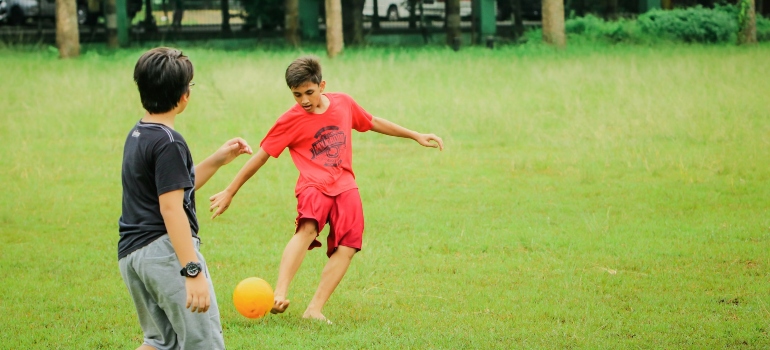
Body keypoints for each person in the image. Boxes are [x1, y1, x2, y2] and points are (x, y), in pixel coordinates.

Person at [208, 55, 443, 323]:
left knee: (349, 245)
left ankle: (314, 309)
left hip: (345, 185)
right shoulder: (289, 120)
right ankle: (279, 293)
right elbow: (260, 156)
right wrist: (230, 191)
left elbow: (372, 121)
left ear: (322, 85)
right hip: (313, 185)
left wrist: (416, 135)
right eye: (297, 95)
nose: (304, 100)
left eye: (309, 92)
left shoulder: (343, 103)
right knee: (307, 228)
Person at [118, 47, 253, 349]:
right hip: (164, 253)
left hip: (132, 255)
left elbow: (177, 186)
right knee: (203, 342)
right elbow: (171, 208)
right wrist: (192, 271)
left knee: (159, 342)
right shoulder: (169, 142)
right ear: (183, 97)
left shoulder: (139, 134)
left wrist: (217, 160)